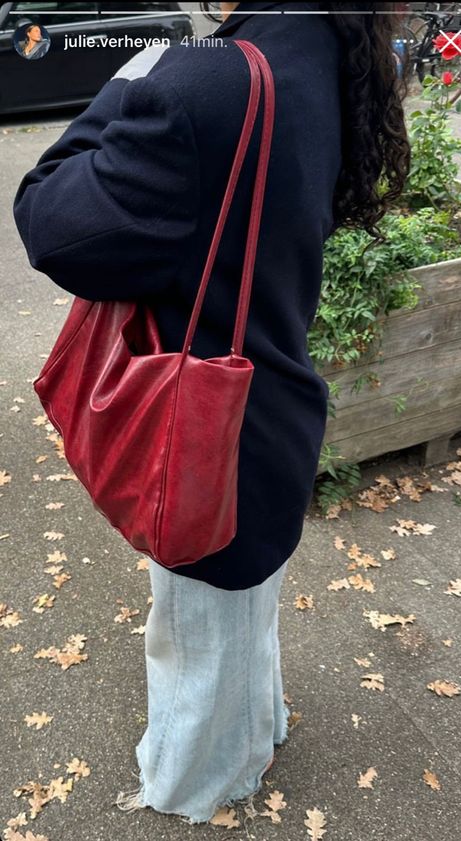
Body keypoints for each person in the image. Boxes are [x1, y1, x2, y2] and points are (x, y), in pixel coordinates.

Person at [12, 0, 411, 826]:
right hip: (273, 402)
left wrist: (128, 78)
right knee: (243, 611)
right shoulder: (334, 53)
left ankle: (195, 781)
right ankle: (257, 730)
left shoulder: (205, 81)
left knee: (196, 630)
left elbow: (48, 219)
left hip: (200, 426)